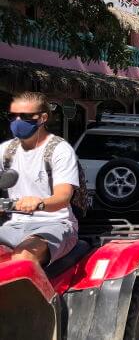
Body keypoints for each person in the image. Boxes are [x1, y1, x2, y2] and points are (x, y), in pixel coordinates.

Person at [0, 92, 79, 266]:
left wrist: (39, 203)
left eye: (26, 116)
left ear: (43, 118)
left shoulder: (60, 150)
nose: (17, 121)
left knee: (23, 258)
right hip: (14, 225)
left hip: (55, 224)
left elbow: (63, 197)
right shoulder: (5, 151)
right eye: (13, 116)